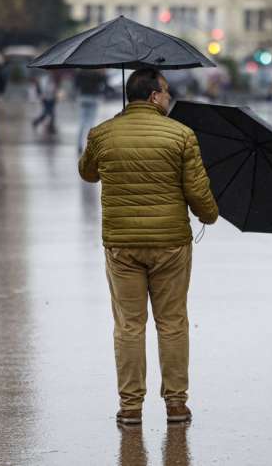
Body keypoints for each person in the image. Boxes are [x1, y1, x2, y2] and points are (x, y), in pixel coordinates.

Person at [78, 68, 219, 426]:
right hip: (171, 243)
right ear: (155, 96)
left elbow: (87, 173)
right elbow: (198, 194)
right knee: (172, 323)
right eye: (166, 92)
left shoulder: (102, 133)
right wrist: (209, 215)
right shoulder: (181, 135)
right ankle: (176, 404)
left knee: (129, 325)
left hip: (122, 245)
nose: (169, 98)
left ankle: (130, 407)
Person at [75, 69, 107, 152]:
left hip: (83, 98)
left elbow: (76, 85)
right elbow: (103, 83)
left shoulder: (81, 73)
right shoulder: (96, 74)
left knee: (82, 122)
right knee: (91, 122)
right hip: (93, 98)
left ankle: (79, 144)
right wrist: (103, 74)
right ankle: (90, 144)